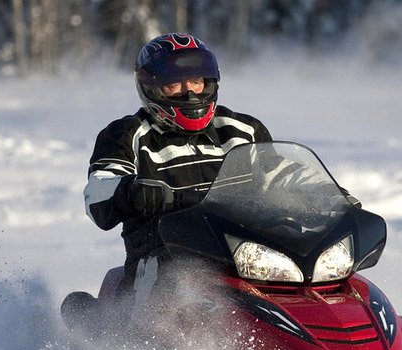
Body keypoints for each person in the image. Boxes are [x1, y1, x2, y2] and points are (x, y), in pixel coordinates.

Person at [74, 33, 271, 327]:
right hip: (165, 254)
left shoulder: (243, 130)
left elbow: (285, 177)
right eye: (174, 84)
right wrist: (129, 191)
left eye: (196, 81)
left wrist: (327, 197)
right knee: (174, 285)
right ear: (152, 89)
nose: (189, 93)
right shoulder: (127, 134)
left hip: (246, 252)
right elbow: (99, 193)